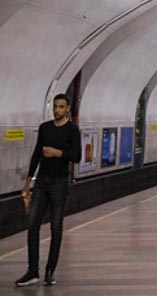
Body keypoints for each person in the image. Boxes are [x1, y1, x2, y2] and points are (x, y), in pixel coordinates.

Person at [15, 94, 81, 288]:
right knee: (32, 225)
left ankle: (50, 270)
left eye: (61, 107)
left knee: (56, 227)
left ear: (67, 109)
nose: (57, 110)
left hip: (60, 183)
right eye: (55, 107)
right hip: (42, 182)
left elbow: (76, 156)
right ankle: (32, 270)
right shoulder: (45, 128)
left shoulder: (72, 131)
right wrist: (28, 183)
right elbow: (37, 153)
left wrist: (57, 153)